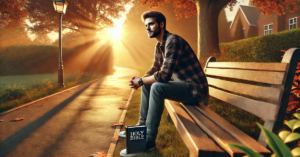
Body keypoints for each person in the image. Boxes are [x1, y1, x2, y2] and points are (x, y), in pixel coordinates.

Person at [120, 11, 209, 156]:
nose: (147, 28)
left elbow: (164, 75)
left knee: (157, 87)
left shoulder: (173, 41)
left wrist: (141, 81)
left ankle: (149, 142)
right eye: (146, 25)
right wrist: (140, 81)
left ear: (161, 24)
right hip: (184, 87)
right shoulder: (159, 46)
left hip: (196, 92)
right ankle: (141, 129)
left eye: (151, 24)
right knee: (150, 84)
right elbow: (154, 69)